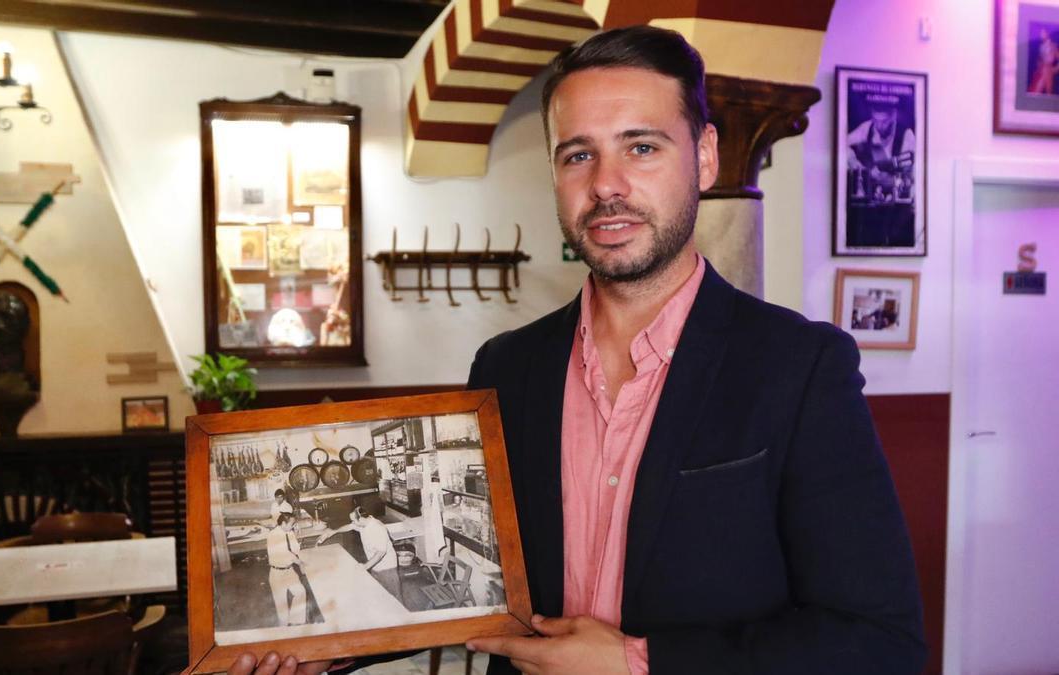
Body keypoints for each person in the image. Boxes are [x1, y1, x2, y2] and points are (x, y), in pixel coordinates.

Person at [229, 25, 925, 675]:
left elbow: (879, 639)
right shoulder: (506, 367)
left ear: (706, 156)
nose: (607, 184)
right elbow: (466, 589)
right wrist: (324, 646)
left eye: (642, 146)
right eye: (579, 154)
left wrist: (638, 660)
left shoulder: (799, 369)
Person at [318, 506, 402, 602]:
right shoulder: (363, 523)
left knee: (395, 597)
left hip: (387, 567)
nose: (353, 523)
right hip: (375, 565)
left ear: (361, 518)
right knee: (381, 595)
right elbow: (350, 526)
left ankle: (404, 616)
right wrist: (333, 531)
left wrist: (365, 566)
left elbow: (380, 553)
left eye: (354, 521)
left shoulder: (377, 528)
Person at [266, 513, 308, 627]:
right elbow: (285, 554)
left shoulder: (288, 532)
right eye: (292, 523)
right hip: (277, 574)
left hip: (289, 571)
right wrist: (300, 563)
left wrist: (295, 534)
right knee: (282, 607)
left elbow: (295, 549)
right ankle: (284, 631)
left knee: (300, 592)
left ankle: (296, 622)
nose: (293, 525)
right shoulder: (273, 535)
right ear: (283, 523)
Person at [1028, 27, 1058, 95]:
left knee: (1047, 92)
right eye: (1040, 33)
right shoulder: (1041, 46)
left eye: (1042, 33)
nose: (1041, 35)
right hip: (1040, 70)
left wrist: (1056, 69)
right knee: (1035, 92)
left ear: (1047, 34)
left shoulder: (1053, 45)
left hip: (1047, 70)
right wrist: (1038, 66)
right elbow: (1040, 59)